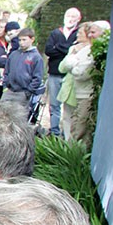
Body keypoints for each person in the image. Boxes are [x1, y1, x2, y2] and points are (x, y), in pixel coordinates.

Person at [44, 7, 82, 137]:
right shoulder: (56, 33)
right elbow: (49, 50)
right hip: (54, 73)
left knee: (69, 108)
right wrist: (66, 49)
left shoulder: (78, 33)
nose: (70, 19)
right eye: (68, 16)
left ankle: (67, 135)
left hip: (70, 76)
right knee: (54, 105)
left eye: (73, 17)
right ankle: (54, 132)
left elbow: (73, 51)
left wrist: (58, 47)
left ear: (78, 19)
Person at [2, 27, 45, 120]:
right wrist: (5, 86)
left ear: (32, 39)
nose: (21, 42)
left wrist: (28, 92)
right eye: (19, 40)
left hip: (22, 93)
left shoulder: (36, 57)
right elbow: (7, 71)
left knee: (18, 119)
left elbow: (37, 78)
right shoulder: (13, 54)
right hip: (9, 91)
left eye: (24, 40)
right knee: (2, 116)